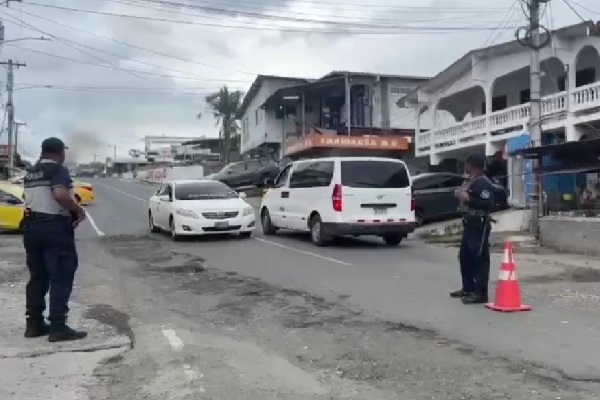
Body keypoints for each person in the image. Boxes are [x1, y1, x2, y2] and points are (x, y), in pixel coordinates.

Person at [22, 137, 88, 342]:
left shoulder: (31, 172)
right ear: (59, 153)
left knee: (38, 277)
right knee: (61, 275)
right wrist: (78, 210)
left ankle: (34, 324)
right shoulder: (58, 170)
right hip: (54, 229)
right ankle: (58, 326)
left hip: (31, 227)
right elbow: (59, 194)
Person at [450, 153, 496, 305]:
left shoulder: (483, 182)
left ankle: (480, 292)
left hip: (479, 223)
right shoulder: (471, 181)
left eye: (467, 164)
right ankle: (468, 287)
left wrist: (468, 198)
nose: (465, 166)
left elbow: (487, 203)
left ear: (473, 165)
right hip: (469, 222)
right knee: (465, 256)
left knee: (479, 257)